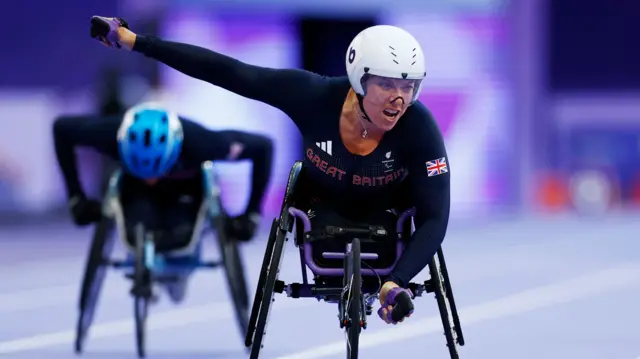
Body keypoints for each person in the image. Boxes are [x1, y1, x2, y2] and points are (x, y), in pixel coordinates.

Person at [89, 17, 450, 324]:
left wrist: (396, 281)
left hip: (386, 219)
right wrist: (134, 41)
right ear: (360, 78)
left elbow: (435, 217)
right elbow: (229, 72)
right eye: (387, 84)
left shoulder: (420, 126)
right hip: (321, 209)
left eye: (409, 86)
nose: (399, 98)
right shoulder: (313, 95)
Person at [53, 102, 274, 303]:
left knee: (179, 238)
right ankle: (147, 259)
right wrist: (76, 197)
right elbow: (61, 129)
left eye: (155, 172)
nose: (152, 180)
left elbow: (264, 147)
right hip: (134, 185)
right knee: (136, 228)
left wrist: (251, 214)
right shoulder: (107, 134)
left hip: (186, 187)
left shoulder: (203, 142)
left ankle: (176, 272)